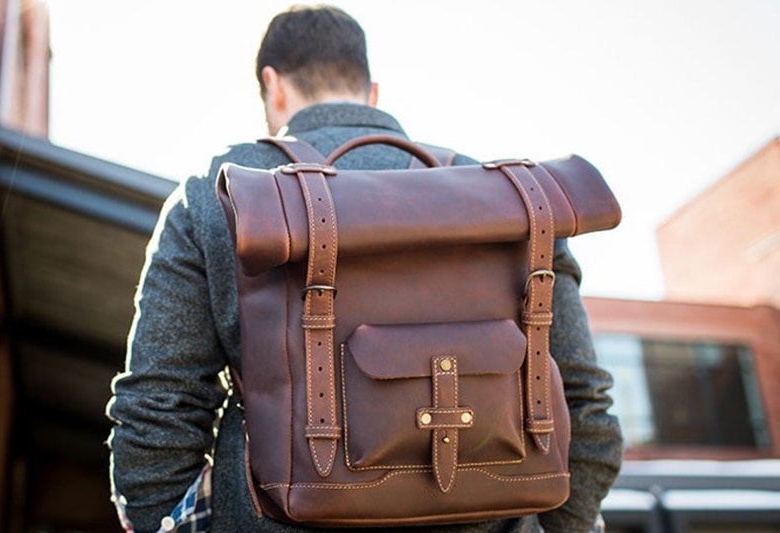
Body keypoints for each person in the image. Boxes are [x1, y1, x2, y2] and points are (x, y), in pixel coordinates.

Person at [106, 4, 623, 533]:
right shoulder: (514, 203)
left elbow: (157, 407)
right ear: (372, 92)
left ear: (273, 86)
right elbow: (586, 407)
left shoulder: (219, 195)